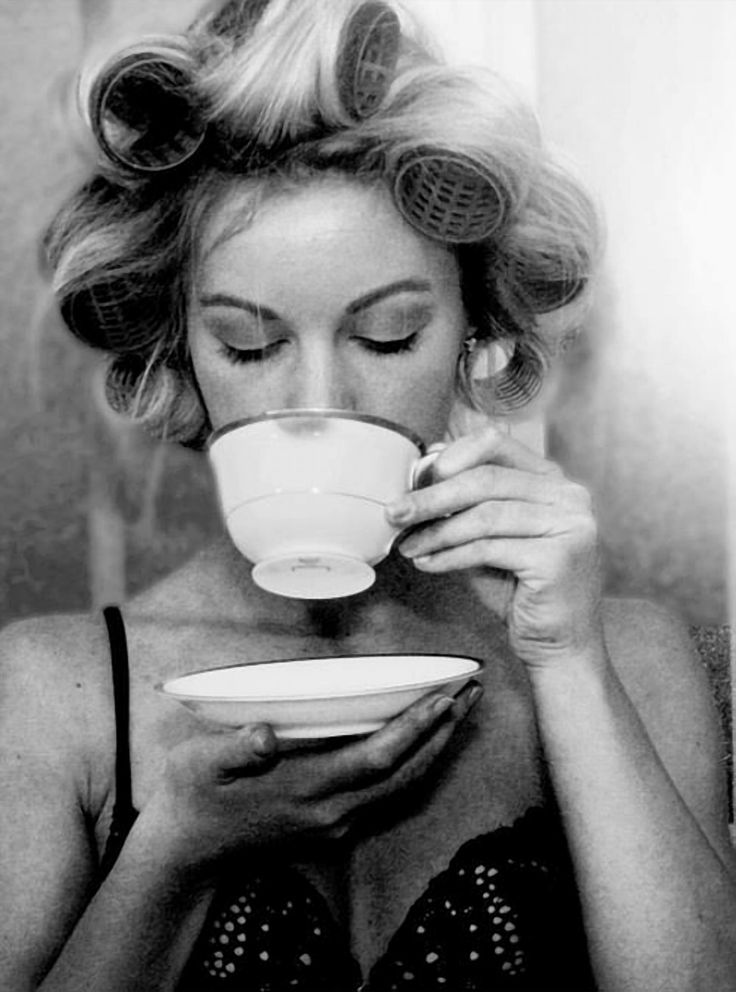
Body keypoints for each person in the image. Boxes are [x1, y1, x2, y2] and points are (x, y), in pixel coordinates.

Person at [1, 1, 735, 989]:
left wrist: (565, 660)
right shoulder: (52, 691)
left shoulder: (630, 658)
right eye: (251, 346)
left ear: (475, 333)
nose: (318, 402)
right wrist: (170, 853)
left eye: (387, 337)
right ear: (180, 356)